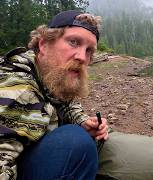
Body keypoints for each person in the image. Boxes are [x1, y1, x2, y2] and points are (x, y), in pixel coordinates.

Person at [0, 10, 108, 180]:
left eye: (89, 50)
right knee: (76, 142)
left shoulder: (47, 74)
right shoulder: (18, 91)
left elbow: (63, 100)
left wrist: (82, 120)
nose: (81, 57)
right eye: (73, 42)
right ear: (43, 44)